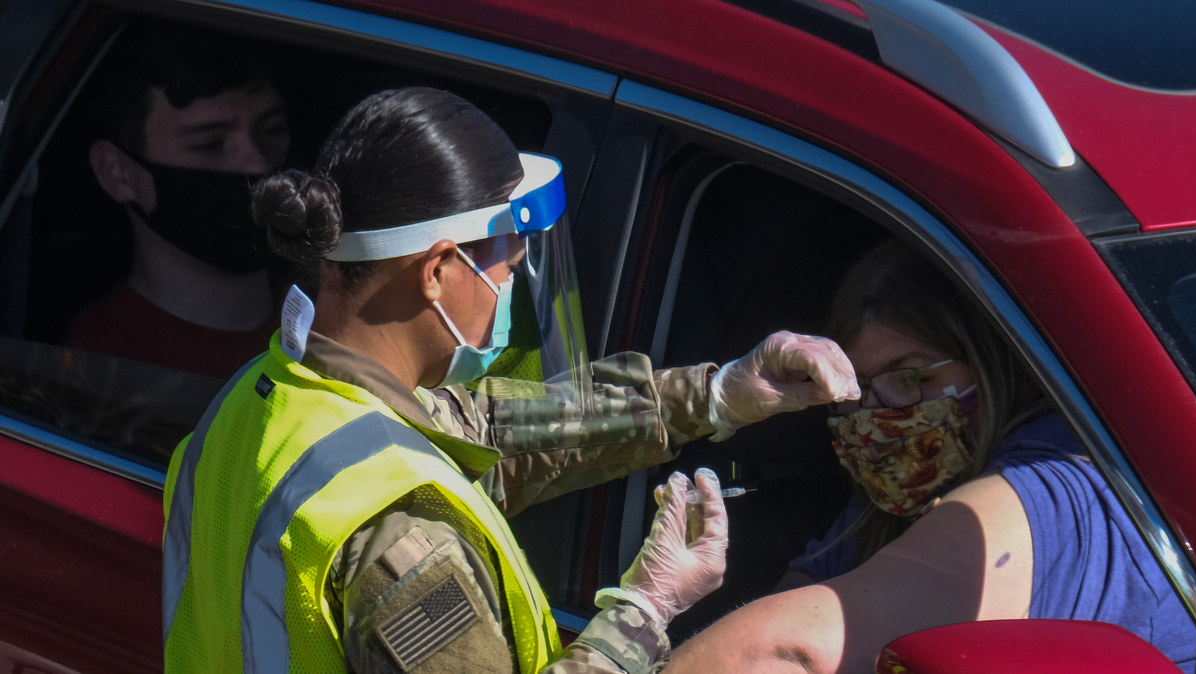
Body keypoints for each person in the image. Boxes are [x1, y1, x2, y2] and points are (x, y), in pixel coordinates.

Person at [161, 86, 858, 673]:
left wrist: (715, 395)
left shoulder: (267, 396)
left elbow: (484, 430)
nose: (509, 291)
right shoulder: (404, 543)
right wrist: (647, 610)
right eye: (503, 267)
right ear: (435, 271)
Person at [666, 238, 1196, 673]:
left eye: (910, 376)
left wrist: (647, 610)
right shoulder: (908, 487)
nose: (878, 413)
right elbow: (805, 592)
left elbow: (783, 651)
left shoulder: (1057, 485)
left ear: (990, 360)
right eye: (861, 388)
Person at [65, 21, 287, 378]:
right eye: (209, 145)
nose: (258, 163)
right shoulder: (99, 365)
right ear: (118, 173)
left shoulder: (339, 315)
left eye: (272, 130)